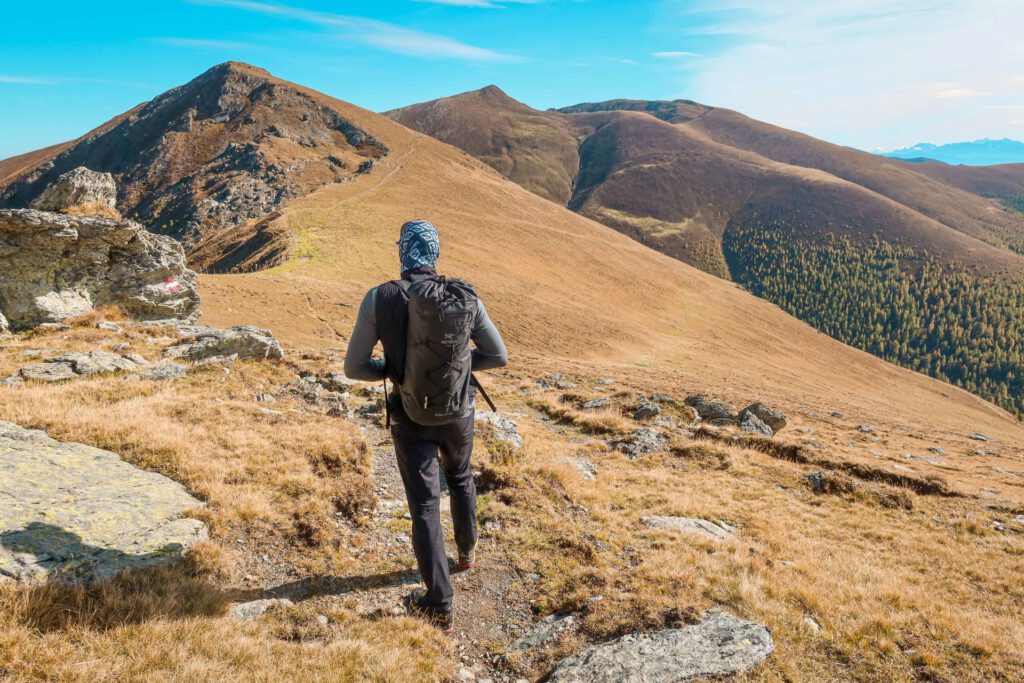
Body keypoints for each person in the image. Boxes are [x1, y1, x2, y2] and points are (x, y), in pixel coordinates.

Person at [343, 219, 508, 631]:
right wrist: (461, 371)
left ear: (402, 252)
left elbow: (354, 367)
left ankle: (438, 602)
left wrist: (393, 371)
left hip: (410, 415)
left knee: (425, 506)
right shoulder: (460, 297)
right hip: (459, 412)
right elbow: (498, 355)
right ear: (435, 253)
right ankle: (467, 552)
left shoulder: (379, 298)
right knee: (462, 477)